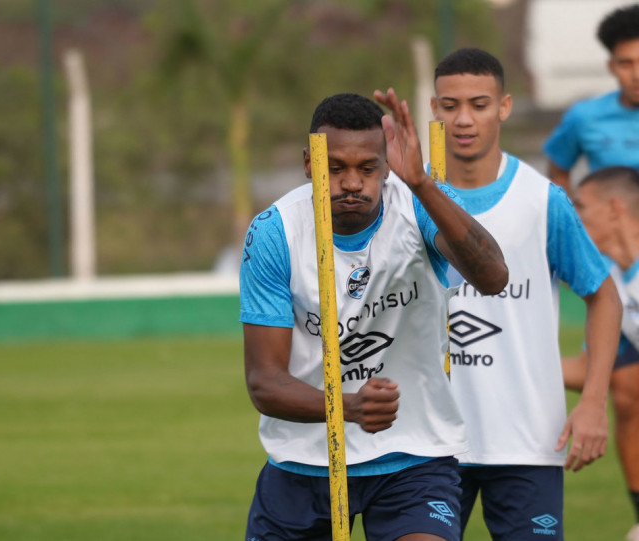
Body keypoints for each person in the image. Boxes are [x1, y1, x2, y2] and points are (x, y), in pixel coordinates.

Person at [240, 91, 508, 540]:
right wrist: (349, 407)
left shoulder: (416, 204)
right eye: (335, 168)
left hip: (414, 455)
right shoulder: (275, 231)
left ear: (385, 164)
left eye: (368, 168)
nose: (351, 183)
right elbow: (264, 383)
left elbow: (493, 277)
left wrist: (422, 183)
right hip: (305, 460)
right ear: (309, 163)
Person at [430, 48, 622, 541]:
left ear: (505, 107)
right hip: (429, 442)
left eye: (479, 104)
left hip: (526, 439)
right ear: (435, 110)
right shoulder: (410, 197)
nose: (464, 119)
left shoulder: (543, 201)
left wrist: (594, 402)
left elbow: (603, 296)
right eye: (450, 106)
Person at [564, 166, 639, 541]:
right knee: (626, 384)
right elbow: (586, 370)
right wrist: (496, 359)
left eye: (581, 206)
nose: (573, 218)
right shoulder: (614, 281)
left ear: (614, 209)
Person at [543, 3, 639, 196]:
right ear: (611, 67)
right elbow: (558, 171)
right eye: (625, 63)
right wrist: (573, 220)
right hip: (610, 225)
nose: (636, 74)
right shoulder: (584, 116)